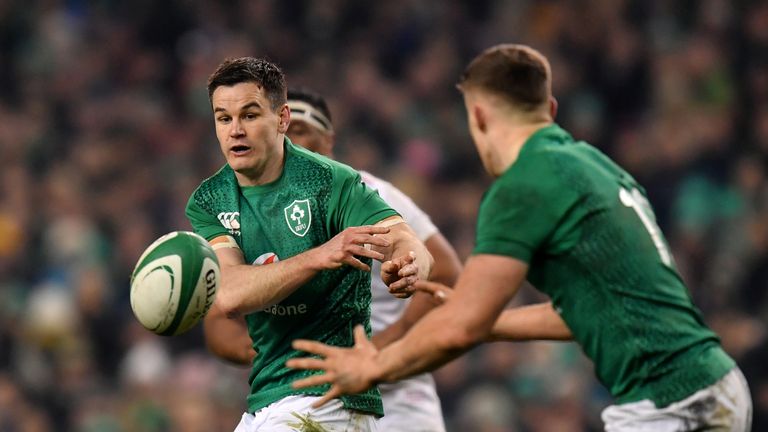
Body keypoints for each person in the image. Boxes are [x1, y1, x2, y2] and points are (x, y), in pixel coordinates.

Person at [286, 44, 753, 431]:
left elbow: (458, 329)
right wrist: (490, 320)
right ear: (548, 109)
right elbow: (584, 311)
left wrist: (371, 367)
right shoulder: (594, 165)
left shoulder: (522, 186)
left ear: (480, 117)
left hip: (671, 401)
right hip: (714, 383)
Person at [185, 57, 434, 432]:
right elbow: (230, 294)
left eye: (250, 116)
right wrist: (319, 256)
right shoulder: (209, 200)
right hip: (266, 399)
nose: (235, 130)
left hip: (333, 400)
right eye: (224, 118)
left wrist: (410, 263)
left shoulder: (331, 182)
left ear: (282, 118)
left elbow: (404, 237)